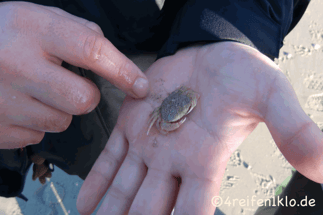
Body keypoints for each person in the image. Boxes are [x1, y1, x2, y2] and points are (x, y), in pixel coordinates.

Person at [0, 0, 318, 214]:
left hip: (131, 49)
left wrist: (226, 30)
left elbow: (182, 102)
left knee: (126, 148)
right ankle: (31, 152)